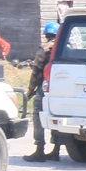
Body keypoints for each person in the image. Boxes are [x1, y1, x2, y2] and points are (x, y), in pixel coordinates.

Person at [24, 21, 60, 161]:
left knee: (38, 115)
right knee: (56, 116)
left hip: (45, 87)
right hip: (60, 89)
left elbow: (36, 72)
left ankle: (40, 149)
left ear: (46, 34)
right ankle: (56, 150)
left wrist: (30, 90)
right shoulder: (65, 47)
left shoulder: (44, 49)